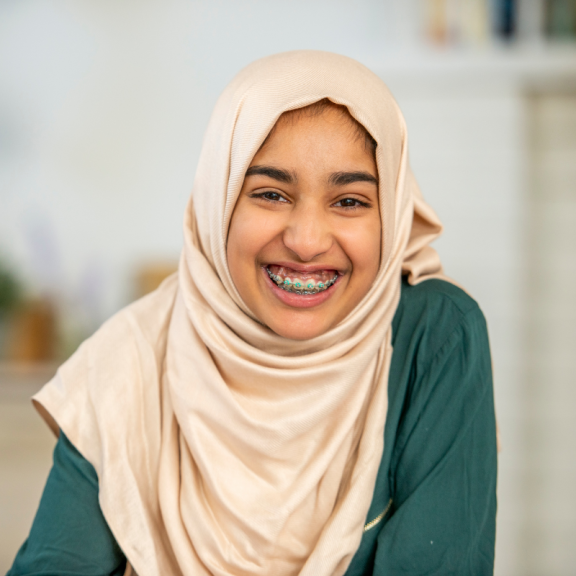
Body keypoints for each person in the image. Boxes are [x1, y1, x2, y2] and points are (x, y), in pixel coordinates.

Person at [8, 51, 497, 576]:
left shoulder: (435, 338)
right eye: (270, 194)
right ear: (218, 203)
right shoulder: (127, 363)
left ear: (393, 214)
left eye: (350, 202)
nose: (307, 241)